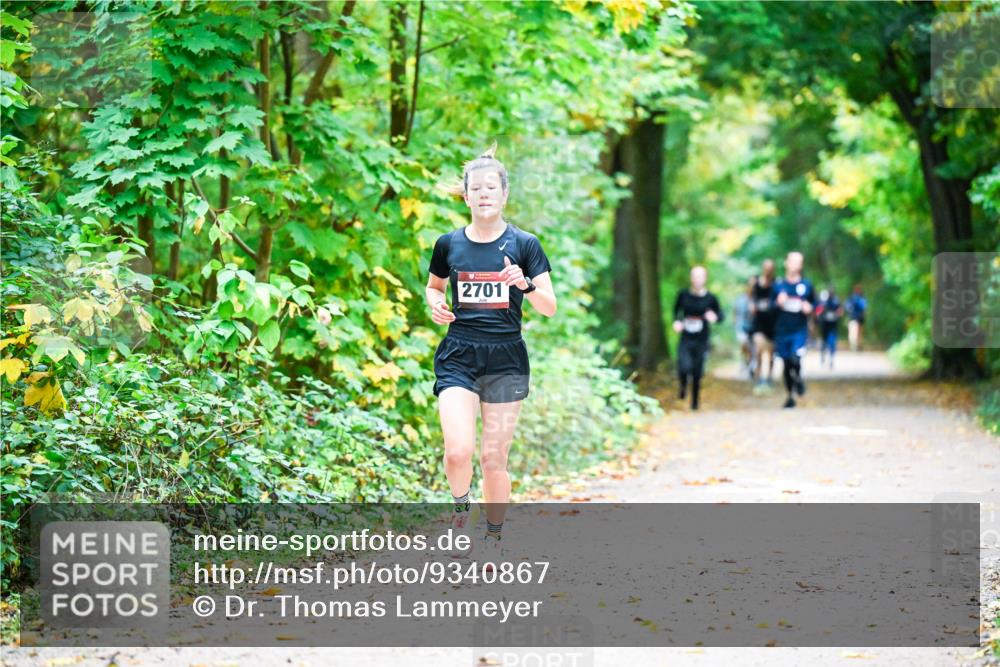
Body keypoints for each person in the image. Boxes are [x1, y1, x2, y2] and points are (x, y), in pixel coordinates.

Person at [426, 142, 557, 560]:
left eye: (491, 187)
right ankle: (461, 511)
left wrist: (525, 283)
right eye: (475, 188)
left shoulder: (525, 244)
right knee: (458, 450)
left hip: (505, 360)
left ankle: (494, 536)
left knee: (493, 457)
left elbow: (549, 308)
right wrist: (433, 304)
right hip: (459, 356)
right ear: (465, 196)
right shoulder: (448, 244)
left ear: (504, 195)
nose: (483, 194)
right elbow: (434, 287)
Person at [672, 266, 724, 410]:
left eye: (700, 276)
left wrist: (714, 317)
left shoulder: (711, 298)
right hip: (686, 338)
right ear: (691, 278)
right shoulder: (683, 295)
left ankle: (695, 402)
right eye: (695, 276)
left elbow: (720, 316)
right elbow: (676, 311)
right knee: (684, 366)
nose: (697, 279)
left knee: (697, 371)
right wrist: (676, 321)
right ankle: (682, 386)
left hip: (702, 339)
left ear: (705, 278)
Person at [772, 251, 816, 409]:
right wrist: (778, 303)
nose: (794, 265)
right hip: (782, 330)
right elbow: (769, 308)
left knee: (795, 358)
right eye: (792, 261)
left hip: (799, 329)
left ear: (801, 265)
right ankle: (790, 395)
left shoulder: (807, 285)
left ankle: (798, 379)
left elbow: (816, 306)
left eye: (798, 262)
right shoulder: (778, 285)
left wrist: (809, 308)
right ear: (786, 263)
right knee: (785, 363)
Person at [749, 259, 777, 389]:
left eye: (770, 267)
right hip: (758, 323)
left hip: (772, 323)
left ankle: (769, 377)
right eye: (766, 267)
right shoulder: (756, 283)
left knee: (771, 353)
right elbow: (751, 298)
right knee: (759, 349)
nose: (768, 270)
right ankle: (760, 377)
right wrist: (752, 306)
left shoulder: (776, 284)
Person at [815, 287, 843, 369]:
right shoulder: (823, 301)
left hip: (833, 325)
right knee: (824, 342)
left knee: (832, 342)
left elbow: (840, 310)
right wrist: (819, 314)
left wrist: (837, 314)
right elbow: (818, 311)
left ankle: (831, 358)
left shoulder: (836, 301)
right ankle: (822, 356)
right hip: (824, 324)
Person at [733, 278, 755, 380]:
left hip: (754, 328)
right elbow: (735, 312)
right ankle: (744, 361)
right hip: (741, 327)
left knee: (753, 349)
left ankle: (751, 366)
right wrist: (735, 323)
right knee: (744, 344)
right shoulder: (740, 299)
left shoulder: (757, 299)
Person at [845, 284, 867, 351]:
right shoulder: (852, 298)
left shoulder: (861, 299)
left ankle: (858, 345)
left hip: (859, 318)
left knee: (858, 333)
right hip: (853, 317)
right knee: (853, 332)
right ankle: (854, 345)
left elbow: (864, 308)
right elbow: (847, 307)